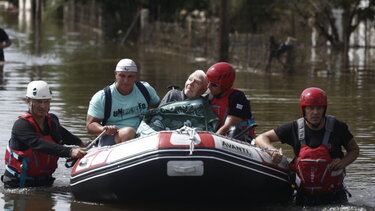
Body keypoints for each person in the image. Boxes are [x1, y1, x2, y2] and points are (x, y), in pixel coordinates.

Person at [254, 87, 360, 206]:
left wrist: (343, 162)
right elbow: (261, 138)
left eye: (319, 108)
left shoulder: (338, 127)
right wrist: (272, 151)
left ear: (324, 109)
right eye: (310, 108)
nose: (315, 112)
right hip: (303, 198)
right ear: (303, 109)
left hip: (335, 197)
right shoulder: (294, 128)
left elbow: (354, 150)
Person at [2, 80, 87, 188]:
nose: (43, 106)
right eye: (38, 102)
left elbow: (63, 134)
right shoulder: (21, 125)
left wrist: (80, 143)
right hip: (18, 184)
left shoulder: (52, 121)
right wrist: (70, 151)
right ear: (28, 101)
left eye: (46, 101)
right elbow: (39, 144)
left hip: (45, 183)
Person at [86, 58, 160, 146]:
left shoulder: (146, 89)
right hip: (113, 137)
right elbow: (90, 125)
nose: (126, 81)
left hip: (144, 134)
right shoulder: (102, 97)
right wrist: (103, 129)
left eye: (130, 76)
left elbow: (158, 109)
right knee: (128, 132)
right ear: (115, 74)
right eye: (122, 76)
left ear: (135, 76)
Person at [206, 62, 256, 142]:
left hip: (239, 139)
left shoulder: (237, 97)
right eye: (208, 82)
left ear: (225, 85)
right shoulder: (208, 97)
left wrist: (213, 140)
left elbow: (229, 125)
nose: (208, 86)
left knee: (234, 130)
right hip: (217, 137)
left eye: (214, 84)